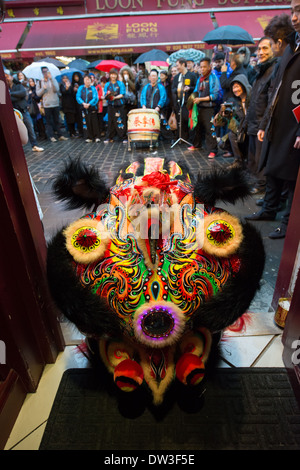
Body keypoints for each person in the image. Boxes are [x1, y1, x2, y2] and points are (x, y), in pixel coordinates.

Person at [245, 0, 300, 239]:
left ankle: (288, 224)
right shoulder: (290, 51)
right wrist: (265, 123)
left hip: (293, 125)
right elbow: (275, 92)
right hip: (278, 123)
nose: (295, 17)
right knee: (274, 169)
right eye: (293, 11)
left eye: (298, 10)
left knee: (290, 178)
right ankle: (269, 209)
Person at [245, 37, 277, 194]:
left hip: (261, 124)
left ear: (274, 49)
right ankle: (256, 183)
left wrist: (264, 125)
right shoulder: (261, 70)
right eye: (259, 49)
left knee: (261, 158)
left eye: (265, 48)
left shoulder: (273, 70)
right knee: (252, 159)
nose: (261, 52)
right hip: (253, 122)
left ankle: (262, 186)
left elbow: (271, 102)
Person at [214, 74, 252, 167]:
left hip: (253, 127)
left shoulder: (252, 98)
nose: (235, 90)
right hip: (242, 129)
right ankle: (238, 160)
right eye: (233, 87)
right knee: (228, 137)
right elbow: (222, 122)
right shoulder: (234, 102)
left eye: (237, 86)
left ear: (243, 85)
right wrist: (221, 115)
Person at [188, 57, 221, 159]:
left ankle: (213, 150)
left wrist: (200, 99)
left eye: (204, 67)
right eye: (201, 67)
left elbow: (214, 95)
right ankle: (197, 145)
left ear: (209, 66)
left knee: (209, 129)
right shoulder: (199, 79)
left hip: (209, 108)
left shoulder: (213, 78)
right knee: (197, 127)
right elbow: (196, 92)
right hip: (199, 107)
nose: (202, 69)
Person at [5, 69, 44, 152]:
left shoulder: (18, 84)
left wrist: (10, 94)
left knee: (30, 128)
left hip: (23, 111)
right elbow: (5, 99)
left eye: (7, 76)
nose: (6, 78)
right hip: (13, 113)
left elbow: (22, 93)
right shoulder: (3, 87)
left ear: (11, 77)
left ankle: (34, 145)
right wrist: (13, 96)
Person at [36, 66, 68, 142]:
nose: (45, 73)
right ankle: (51, 136)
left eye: (47, 71)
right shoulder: (40, 82)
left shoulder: (53, 79)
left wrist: (51, 79)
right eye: (44, 71)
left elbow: (56, 89)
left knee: (57, 120)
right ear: (42, 73)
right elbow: (38, 94)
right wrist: (43, 88)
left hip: (55, 103)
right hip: (47, 105)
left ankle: (60, 135)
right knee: (48, 121)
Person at [140, 69, 173, 141]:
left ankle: (170, 139)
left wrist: (159, 106)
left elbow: (163, 98)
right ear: (149, 77)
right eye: (152, 76)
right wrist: (143, 105)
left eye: (155, 76)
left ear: (157, 77)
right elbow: (142, 97)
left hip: (158, 110)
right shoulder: (146, 87)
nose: (153, 77)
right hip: (148, 111)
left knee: (163, 125)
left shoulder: (161, 87)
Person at [171, 58, 197, 143]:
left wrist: (189, 88)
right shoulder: (177, 77)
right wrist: (180, 89)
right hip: (179, 104)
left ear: (183, 64)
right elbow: (173, 89)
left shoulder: (192, 75)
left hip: (189, 103)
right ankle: (182, 138)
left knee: (189, 122)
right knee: (180, 122)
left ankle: (191, 139)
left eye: (178, 65)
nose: (177, 67)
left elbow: (196, 88)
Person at [103, 68, 127, 143]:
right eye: (111, 74)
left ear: (117, 75)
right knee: (110, 122)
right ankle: (109, 137)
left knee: (121, 121)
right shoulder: (107, 84)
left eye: (114, 74)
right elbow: (105, 95)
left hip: (119, 105)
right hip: (110, 106)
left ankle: (123, 137)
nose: (113, 76)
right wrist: (107, 95)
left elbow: (122, 94)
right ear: (109, 75)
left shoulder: (120, 83)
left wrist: (115, 97)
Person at [76, 74, 101, 143]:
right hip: (84, 108)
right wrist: (83, 103)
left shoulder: (93, 88)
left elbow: (95, 97)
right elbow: (78, 96)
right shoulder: (81, 88)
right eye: (86, 79)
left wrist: (89, 104)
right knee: (86, 123)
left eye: (88, 79)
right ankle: (89, 137)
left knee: (94, 122)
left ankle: (97, 137)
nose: (87, 81)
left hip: (92, 108)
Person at [71, 72, 84, 137]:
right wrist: (73, 90)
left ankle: (84, 131)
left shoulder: (82, 84)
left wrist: (79, 89)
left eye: (77, 77)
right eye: (75, 77)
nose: (76, 78)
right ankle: (80, 131)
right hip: (75, 104)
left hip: (82, 103)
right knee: (78, 118)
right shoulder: (72, 84)